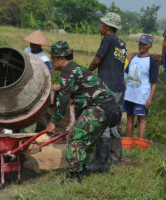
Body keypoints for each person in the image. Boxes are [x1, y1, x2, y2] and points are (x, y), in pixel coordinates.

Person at [46, 41, 121, 183]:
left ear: (62, 59)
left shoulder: (67, 73)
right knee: (86, 140)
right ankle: (82, 169)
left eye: (53, 58)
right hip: (110, 108)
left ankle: (74, 177)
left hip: (99, 107)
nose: (52, 61)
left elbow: (62, 101)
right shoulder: (78, 69)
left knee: (75, 137)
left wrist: (52, 122)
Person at [88, 12, 126, 169]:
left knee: (102, 122)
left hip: (107, 87)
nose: (100, 26)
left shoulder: (108, 39)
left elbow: (98, 59)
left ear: (108, 27)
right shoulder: (121, 43)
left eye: (102, 24)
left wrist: (86, 72)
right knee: (113, 124)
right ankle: (116, 160)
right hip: (119, 88)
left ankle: (100, 163)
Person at [123, 35, 158, 139]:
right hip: (129, 94)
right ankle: (128, 141)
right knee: (129, 117)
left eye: (144, 44)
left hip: (142, 96)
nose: (141, 46)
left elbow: (154, 82)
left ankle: (139, 143)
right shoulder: (133, 57)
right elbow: (127, 75)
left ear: (149, 46)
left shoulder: (151, 61)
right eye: (140, 43)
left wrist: (150, 98)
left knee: (141, 118)